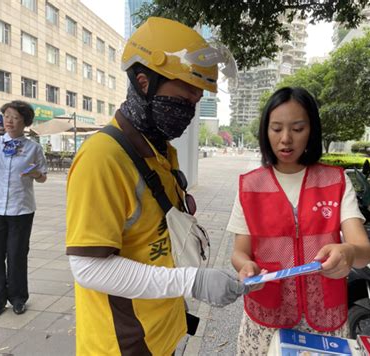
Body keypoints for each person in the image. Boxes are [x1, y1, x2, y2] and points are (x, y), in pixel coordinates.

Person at [66, 17, 247, 356]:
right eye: (184, 97)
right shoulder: (102, 157)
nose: (189, 111)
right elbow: (88, 267)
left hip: (164, 329)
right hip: (124, 344)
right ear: (143, 81)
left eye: (196, 103)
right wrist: (191, 281)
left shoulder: (162, 150)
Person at [227, 87, 370, 354]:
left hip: (324, 320)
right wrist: (246, 266)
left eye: (297, 128)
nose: (286, 139)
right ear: (265, 131)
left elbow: (363, 252)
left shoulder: (335, 181)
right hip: (266, 318)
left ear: (311, 130)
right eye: (276, 129)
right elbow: (239, 251)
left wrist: (348, 252)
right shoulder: (250, 186)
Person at [0, 100, 47, 319]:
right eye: (6, 116)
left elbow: (42, 176)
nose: (9, 121)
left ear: (25, 121)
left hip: (21, 209)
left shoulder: (33, 147)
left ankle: (18, 299)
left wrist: (35, 174)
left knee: (17, 255)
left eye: (14, 117)